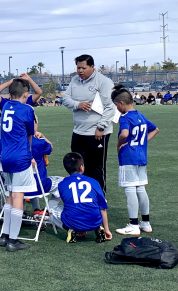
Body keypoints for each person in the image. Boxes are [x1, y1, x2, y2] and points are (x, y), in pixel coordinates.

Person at [111, 85, 159, 236]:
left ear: (120, 104)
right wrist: (142, 142)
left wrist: (119, 144)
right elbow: (155, 129)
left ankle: (133, 224)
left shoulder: (125, 118)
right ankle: (145, 223)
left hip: (128, 157)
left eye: (116, 105)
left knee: (130, 189)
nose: (116, 108)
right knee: (140, 188)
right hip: (141, 157)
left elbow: (124, 134)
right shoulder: (140, 115)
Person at [63, 54, 115, 193]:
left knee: (96, 168)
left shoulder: (104, 82)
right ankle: (82, 200)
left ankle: (100, 201)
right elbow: (65, 99)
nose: (80, 71)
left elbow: (110, 107)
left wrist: (101, 127)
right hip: (78, 131)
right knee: (77, 167)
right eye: (78, 68)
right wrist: (77, 104)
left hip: (97, 132)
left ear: (92, 67)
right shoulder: (74, 80)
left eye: (83, 68)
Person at [0, 78, 37, 251]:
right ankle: (13, 240)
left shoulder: (6, 106)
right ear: (26, 94)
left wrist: (10, 82)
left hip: (5, 156)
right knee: (18, 197)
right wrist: (30, 155)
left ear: (9, 93)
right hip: (20, 157)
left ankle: (5, 235)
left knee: (9, 196)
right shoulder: (26, 109)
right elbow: (31, 133)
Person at [49, 152, 112, 243]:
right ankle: (99, 228)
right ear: (81, 167)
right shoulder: (93, 181)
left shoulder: (62, 183)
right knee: (100, 202)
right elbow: (103, 208)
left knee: (51, 208)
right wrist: (107, 230)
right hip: (95, 221)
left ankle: (71, 230)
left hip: (73, 222)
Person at [24, 117, 64, 217]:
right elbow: (50, 147)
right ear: (34, 124)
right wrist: (43, 136)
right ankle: (47, 211)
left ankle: (35, 210)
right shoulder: (39, 142)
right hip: (38, 186)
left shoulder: (11, 142)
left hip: (16, 187)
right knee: (62, 183)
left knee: (29, 178)